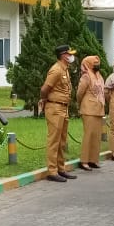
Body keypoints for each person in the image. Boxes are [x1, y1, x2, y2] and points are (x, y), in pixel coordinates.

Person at [39, 44, 77, 182]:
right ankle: (52, 171)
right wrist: (44, 100)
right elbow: (45, 88)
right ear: (63, 55)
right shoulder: (56, 70)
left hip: (63, 108)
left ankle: (61, 169)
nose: (72, 56)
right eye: (70, 54)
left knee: (62, 141)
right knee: (54, 141)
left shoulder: (65, 69)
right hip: (55, 108)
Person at [77, 54, 105, 169]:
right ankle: (84, 160)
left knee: (96, 136)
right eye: (94, 63)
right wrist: (81, 104)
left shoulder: (99, 75)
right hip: (88, 109)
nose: (97, 65)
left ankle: (94, 159)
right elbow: (79, 93)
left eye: (97, 63)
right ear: (88, 64)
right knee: (88, 135)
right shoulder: (86, 76)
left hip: (99, 109)